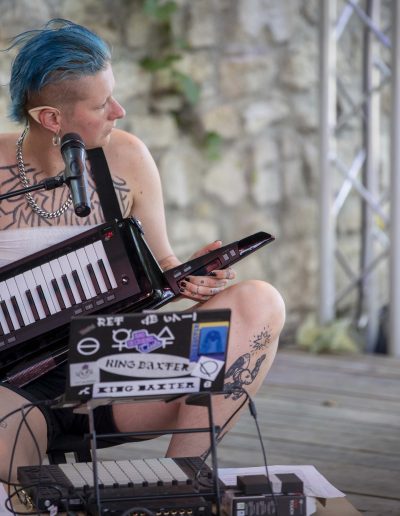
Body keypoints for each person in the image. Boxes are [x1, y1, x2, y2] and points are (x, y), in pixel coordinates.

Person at [0, 19, 285, 484]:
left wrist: (189, 278)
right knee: (17, 472)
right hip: (15, 385)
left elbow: (163, 264)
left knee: (260, 302)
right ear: (51, 119)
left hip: (117, 360)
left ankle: (181, 484)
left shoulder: (127, 157)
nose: (119, 110)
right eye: (101, 104)